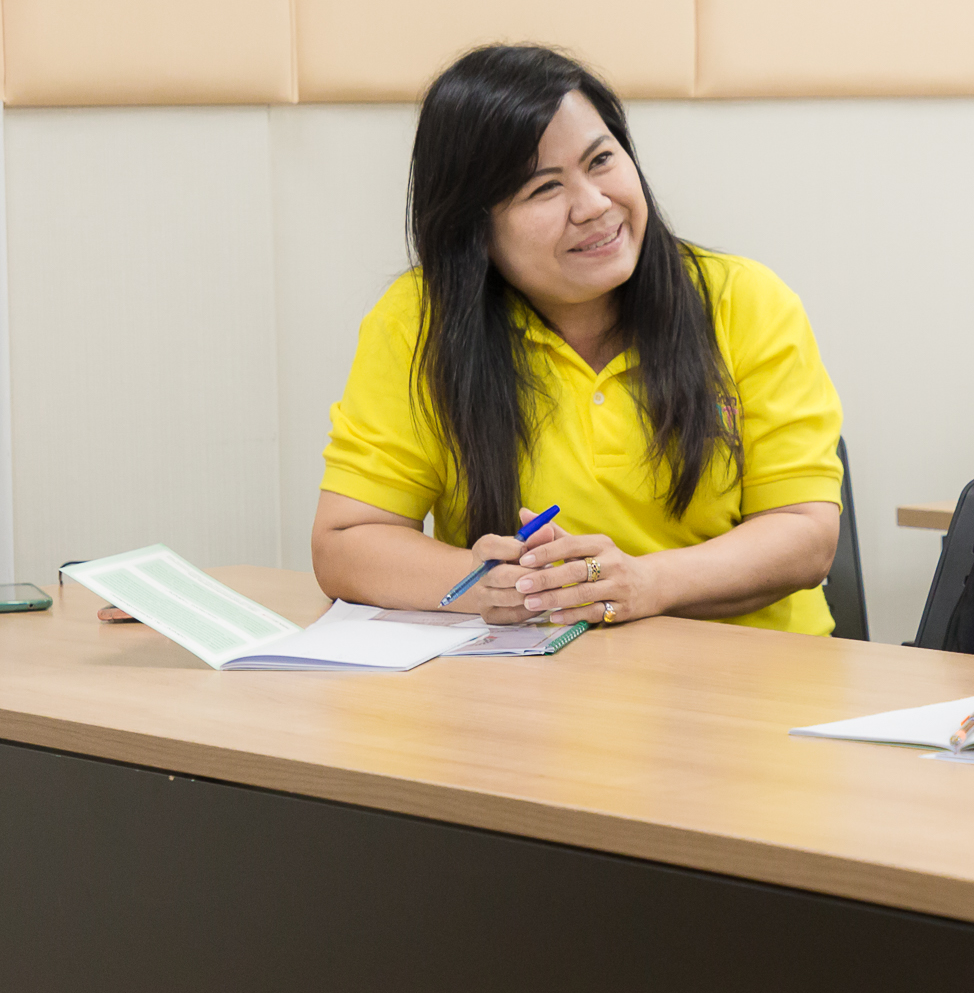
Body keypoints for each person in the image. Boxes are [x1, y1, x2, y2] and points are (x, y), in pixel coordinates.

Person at [312, 45, 845, 635]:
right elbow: (345, 541)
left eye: (601, 160)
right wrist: (481, 585)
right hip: (539, 678)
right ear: (474, 230)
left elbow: (807, 533)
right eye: (543, 189)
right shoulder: (422, 320)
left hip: (754, 670)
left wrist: (644, 583)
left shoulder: (743, 301)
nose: (593, 205)